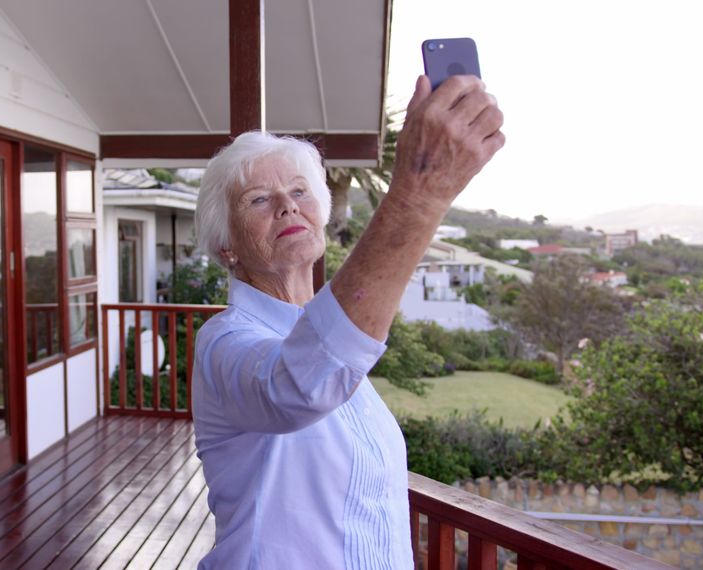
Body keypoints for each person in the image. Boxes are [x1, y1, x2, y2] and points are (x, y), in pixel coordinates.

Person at [192, 75, 504, 569]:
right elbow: (298, 383)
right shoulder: (224, 343)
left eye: (299, 190)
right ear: (226, 246)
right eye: (258, 199)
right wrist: (420, 192)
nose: (287, 204)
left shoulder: (324, 333)